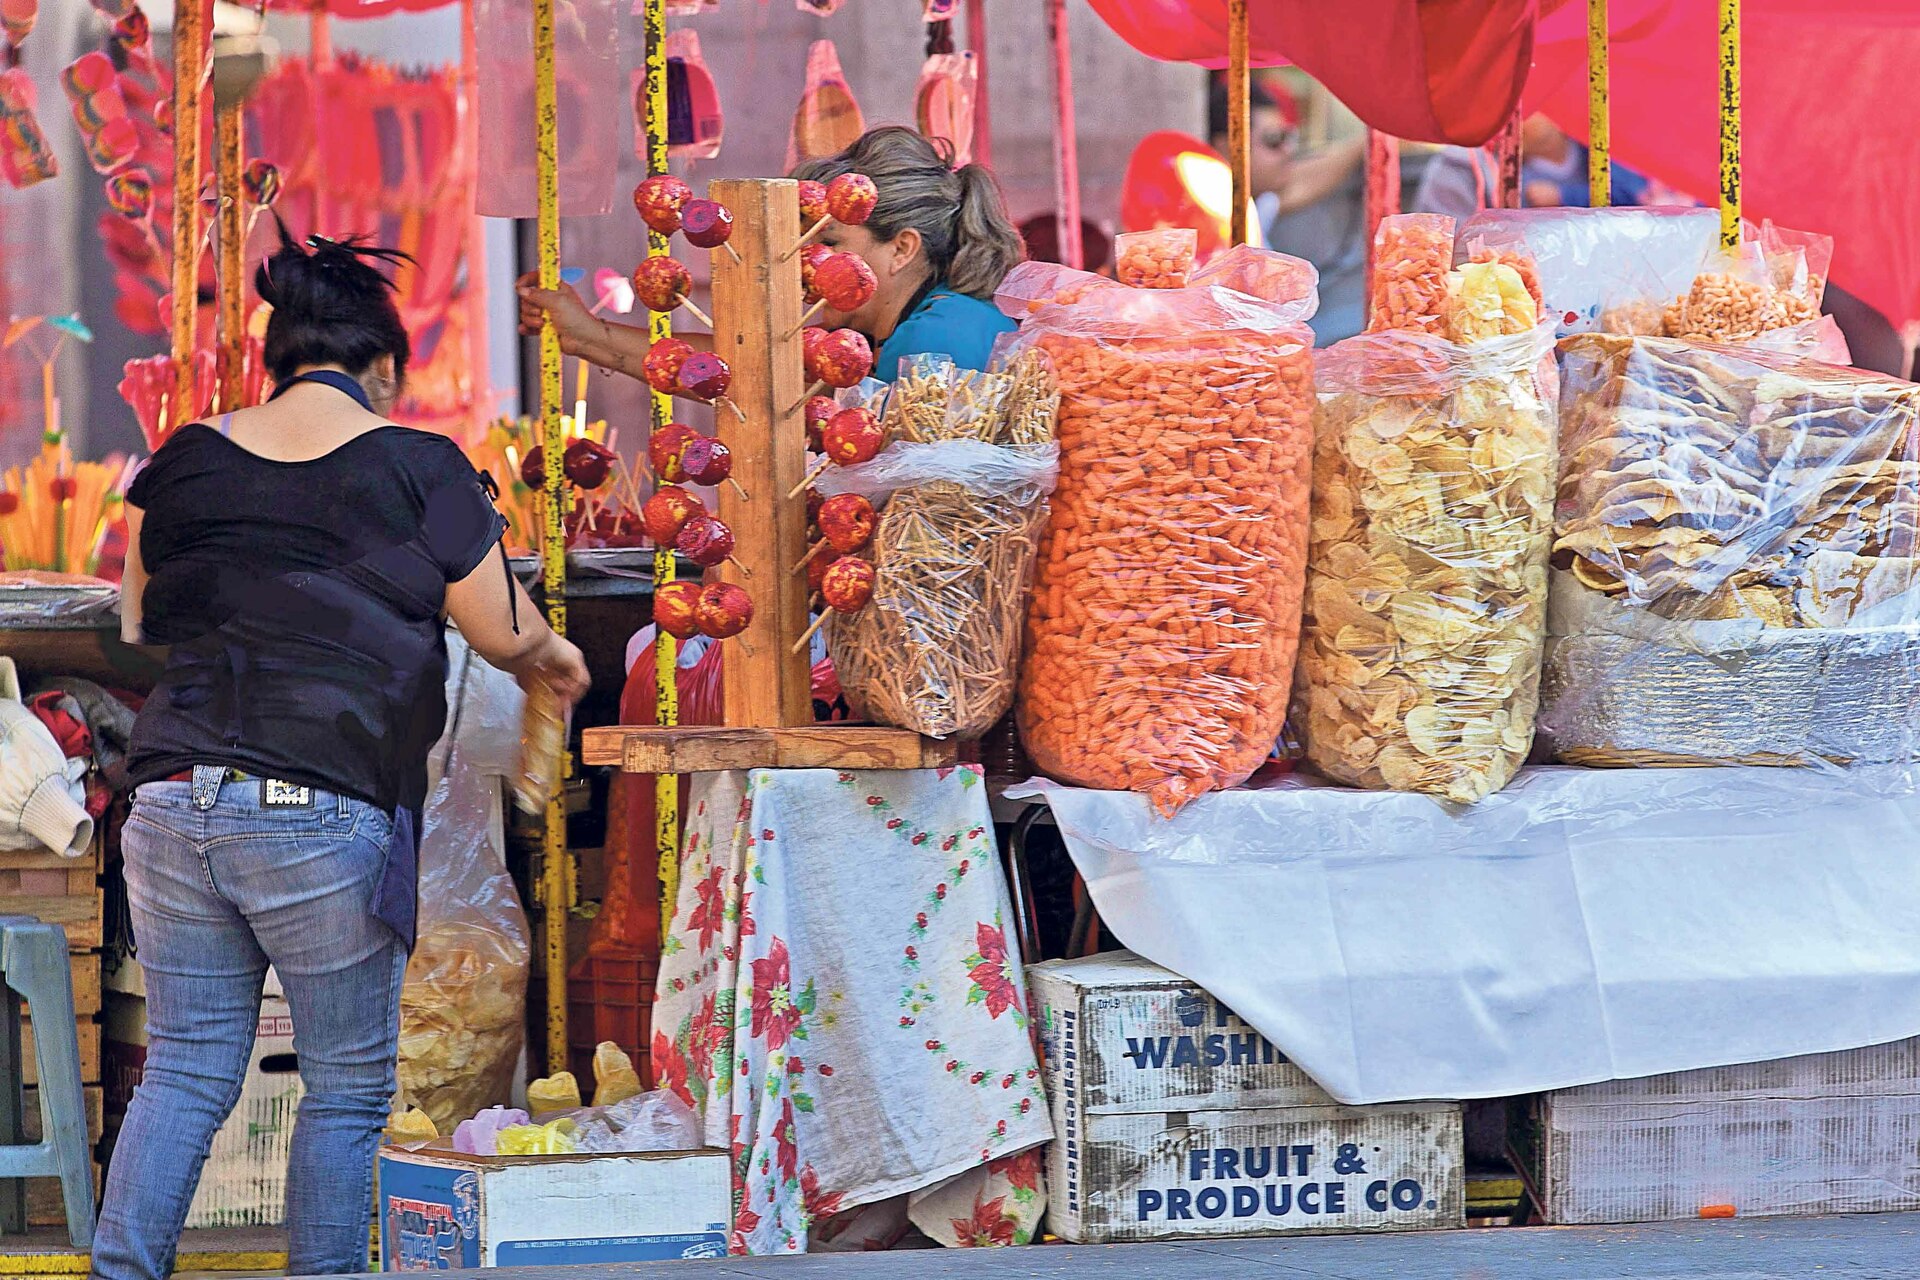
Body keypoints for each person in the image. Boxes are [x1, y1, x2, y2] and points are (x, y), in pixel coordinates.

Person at [98, 228, 588, 1280]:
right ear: (385, 370)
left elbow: (136, 620)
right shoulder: (418, 467)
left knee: (185, 1068)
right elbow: (502, 631)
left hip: (173, 800)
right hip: (319, 804)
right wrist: (557, 652)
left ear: (277, 361)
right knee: (350, 1084)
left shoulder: (183, 458)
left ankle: (119, 1270)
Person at [518, 126, 1026, 381]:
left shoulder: (934, 340)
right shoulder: (910, 328)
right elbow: (755, 375)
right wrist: (585, 336)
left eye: (828, 244)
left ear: (902, 248)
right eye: (801, 245)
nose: (804, 264)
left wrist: (588, 337)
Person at [1210, 76, 1367, 343]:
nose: (1287, 151)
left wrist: (1373, 137)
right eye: (1274, 140)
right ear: (1228, 146)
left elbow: (1306, 179)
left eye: (1289, 138)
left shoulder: (1256, 204)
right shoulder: (1209, 215)